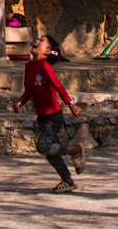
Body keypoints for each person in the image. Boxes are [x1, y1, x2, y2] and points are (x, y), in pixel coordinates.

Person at [13, 33, 83, 191]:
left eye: (41, 41)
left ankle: (74, 150)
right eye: (37, 39)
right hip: (42, 117)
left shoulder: (45, 67)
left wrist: (71, 105)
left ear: (47, 51)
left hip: (53, 116)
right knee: (51, 152)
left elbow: (58, 86)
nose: (36, 41)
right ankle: (68, 181)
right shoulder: (29, 67)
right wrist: (21, 101)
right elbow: (29, 90)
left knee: (43, 146)